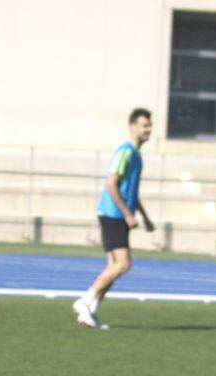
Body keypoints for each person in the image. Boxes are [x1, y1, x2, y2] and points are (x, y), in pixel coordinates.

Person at [73, 108, 155, 330]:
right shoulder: (126, 152)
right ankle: (85, 300)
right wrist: (128, 214)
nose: (148, 129)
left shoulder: (137, 155)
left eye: (150, 125)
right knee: (123, 264)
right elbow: (111, 184)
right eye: (144, 125)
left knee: (113, 267)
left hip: (119, 214)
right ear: (132, 127)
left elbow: (131, 191)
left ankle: (90, 312)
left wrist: (145, 217)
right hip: (112, 214)